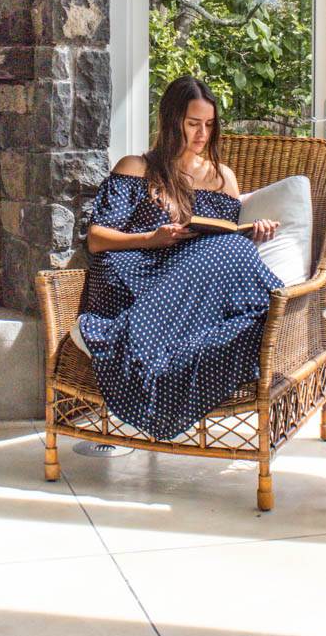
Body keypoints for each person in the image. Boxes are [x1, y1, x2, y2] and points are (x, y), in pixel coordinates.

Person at [78, 75, 282, 441]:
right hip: (137, 278)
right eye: (193, 124)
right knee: (232, 254)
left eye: (209, 124)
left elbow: (221, 248)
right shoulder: (135, 168)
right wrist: (151, 238)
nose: (202, 134)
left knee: (234, 248)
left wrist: (254, 232)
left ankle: (265, 320)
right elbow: (96, 239)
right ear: (172, 121)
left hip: (195, 289)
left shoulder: (224, 178)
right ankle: (281, 315)